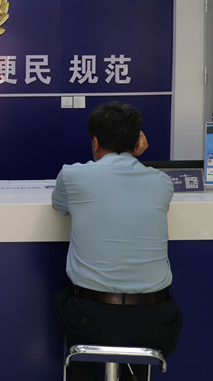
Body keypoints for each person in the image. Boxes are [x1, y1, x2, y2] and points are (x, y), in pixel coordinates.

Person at [51, 101, 182, 381]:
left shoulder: (72, 176)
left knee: (66, 300)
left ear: (95, 142)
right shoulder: (162, 182)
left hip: (92, 322)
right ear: (138, 142)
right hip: (157, 324)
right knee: (132, 325)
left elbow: (58, 207)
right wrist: (135, 155)